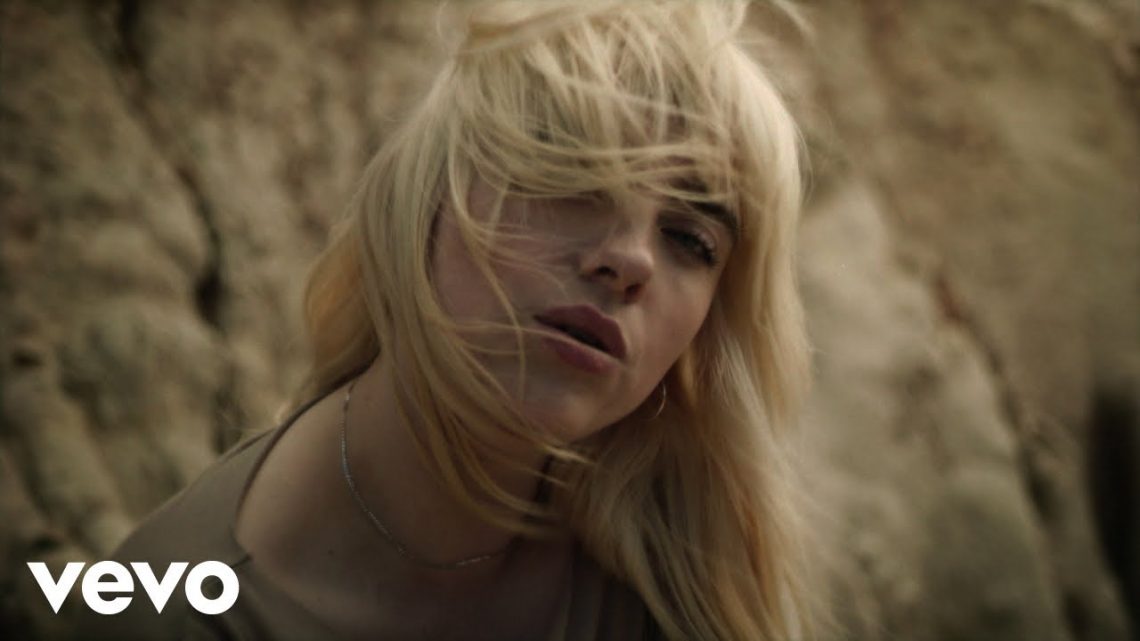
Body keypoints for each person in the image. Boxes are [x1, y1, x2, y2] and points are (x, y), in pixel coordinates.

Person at [84, 1, 811, 639]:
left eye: (690, 239)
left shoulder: (676, 572)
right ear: (429, 195)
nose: (629, 259)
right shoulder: (171, 610)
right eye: (576, 175)